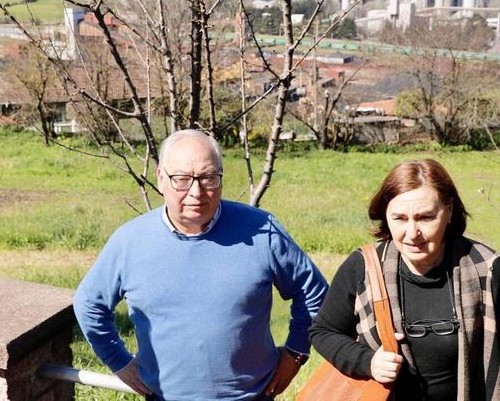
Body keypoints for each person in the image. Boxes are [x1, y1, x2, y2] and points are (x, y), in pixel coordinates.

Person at [74, 129, 329, 400]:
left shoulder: (262, 230)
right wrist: (119, 361)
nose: (197, 192)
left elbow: (313, 293)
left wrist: (296, 352)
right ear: (161, 178)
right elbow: (89, 304)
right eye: (182, 179)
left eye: (209, 178)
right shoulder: (130, 242)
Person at [310, 159, 500, 401]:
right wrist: (368, 361)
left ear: (449, 210)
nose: (412, 233)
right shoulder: (364, 267)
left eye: (425, 217)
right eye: (400, 219)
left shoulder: (489, 271)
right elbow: (323, 331)